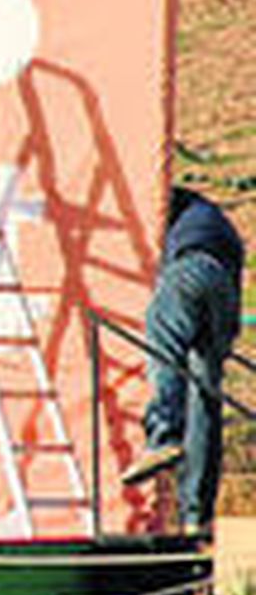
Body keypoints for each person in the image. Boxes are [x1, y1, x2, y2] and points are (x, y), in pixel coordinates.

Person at [121, 186, 244, 535]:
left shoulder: (163, 205)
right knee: (204, 396)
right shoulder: (212, 219)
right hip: (223, 289)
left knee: (163, 343)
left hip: (189, 269)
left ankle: (162, 433)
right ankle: (196, 514)